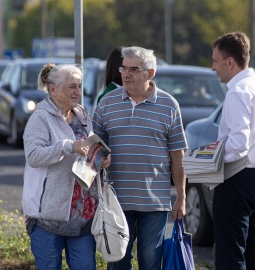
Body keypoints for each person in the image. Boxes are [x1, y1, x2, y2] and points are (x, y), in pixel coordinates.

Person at [92, 46, 187, 270]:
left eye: (133, 69)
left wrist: (181, 197)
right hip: (116, 201)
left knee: (151, 263)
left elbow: (177, 154)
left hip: (154, 203)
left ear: (150, 73)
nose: (126, 74)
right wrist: (99, 157)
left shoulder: (169, 105)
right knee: (117, 263)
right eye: (124, 68)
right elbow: (93, 147)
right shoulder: (106, 103)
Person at [22, 63, 111, 270]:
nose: (77, 92)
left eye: (79, 86)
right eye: (72, 86)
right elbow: (33, 156)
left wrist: (101, 159)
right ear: (53, 89)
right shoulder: (40, 118)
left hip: (83, 217)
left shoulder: (81, 115)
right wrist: (67, 146)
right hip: (48, 218)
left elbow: (87, 150)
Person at [210, 31, 255, 270]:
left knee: (231, 258)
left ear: (230, 62)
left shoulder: (237, 92)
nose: (213, 68)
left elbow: (239, 145)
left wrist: (210, 161)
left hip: (238, 181)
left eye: (215, 61)